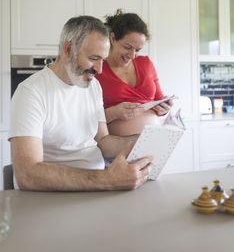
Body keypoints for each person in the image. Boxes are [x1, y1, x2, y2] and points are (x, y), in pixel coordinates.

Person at [9, 16, 153, 191]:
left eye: (103, 60)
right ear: (69, 49)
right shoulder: (31, 92)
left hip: (97, 189)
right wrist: (107, 180)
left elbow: (104, 142)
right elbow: (28, 174)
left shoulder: (93, 87)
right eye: (94, 58)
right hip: (51, 197)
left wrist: (144, 141)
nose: (100, 69)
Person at [96, 10, 173, 137]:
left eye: (137, 50)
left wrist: (164, 109)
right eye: (127, 47)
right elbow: (85, 119)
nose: (132, 55)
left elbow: (159, 102)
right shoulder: (97, 69)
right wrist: (114, 113)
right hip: (116, 151)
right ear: (112, 38)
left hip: (154, 143)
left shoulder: (146, 64)